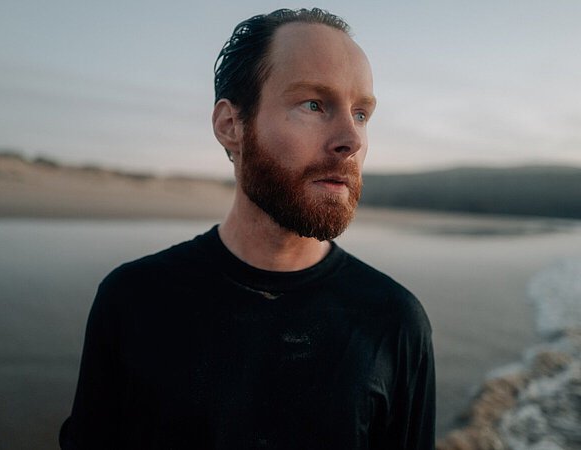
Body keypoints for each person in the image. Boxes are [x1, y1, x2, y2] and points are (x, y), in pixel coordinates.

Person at [60, 7, 435, 449]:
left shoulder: (394, 321)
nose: (350, 140)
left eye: (361, 114)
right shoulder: (133, 299)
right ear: (230, 126)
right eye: (314, 104)